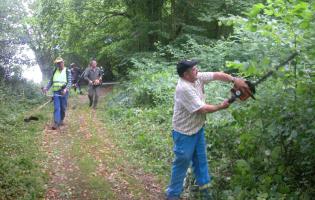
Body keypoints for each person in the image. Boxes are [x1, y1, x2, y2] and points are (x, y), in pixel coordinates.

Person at [166, 60, 251, 200]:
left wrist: (234, 79)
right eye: (193, 69)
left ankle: (206, 195)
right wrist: (220, 106)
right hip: (184, 132)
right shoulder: (184, 88)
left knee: (201, 162)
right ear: (185, 74)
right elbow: (202, 109)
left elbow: (217, 75)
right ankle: (173, 195)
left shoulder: (197, 77)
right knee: (182, 162)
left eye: (195, 68)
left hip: (198, 129)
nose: (197, 70)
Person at [42, 57, 72, 130]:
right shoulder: (55, 71)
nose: (59, 64)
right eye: (57, 63)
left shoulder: (67, 71)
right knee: (56, 107)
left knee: (63, 107)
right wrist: (46, 88)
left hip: (64, 92)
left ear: (63, 62)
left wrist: (66, 89)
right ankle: (56, 122)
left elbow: (70, 82)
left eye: (60, 63)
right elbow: (51, 81)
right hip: (55, 92)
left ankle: (61, 120)